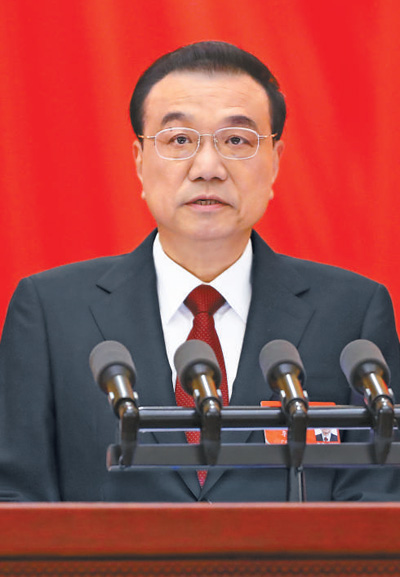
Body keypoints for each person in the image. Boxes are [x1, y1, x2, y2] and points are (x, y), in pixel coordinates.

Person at [0, 41, 399, 503]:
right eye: (179, 140)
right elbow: (16, 500)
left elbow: (376, 502)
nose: (208, 168)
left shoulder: (351, 314)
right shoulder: (50, 314)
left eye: (236, 141)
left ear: (275, 160)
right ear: (139, 160)